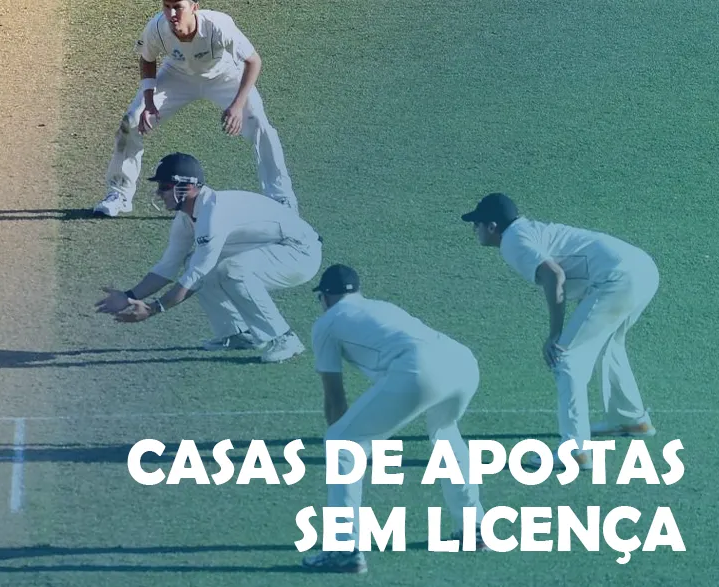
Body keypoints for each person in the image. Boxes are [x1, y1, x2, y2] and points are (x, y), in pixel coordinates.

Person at [298, 265, 484, 573]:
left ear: (325, 297)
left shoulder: (327, 323)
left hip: (419, 368)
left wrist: (343, 443)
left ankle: (343, 548)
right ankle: (473, 528)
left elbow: (335, 399)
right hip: (462, 363)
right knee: (446, 433)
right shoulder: (379, 307)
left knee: (342, 444)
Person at [464, 193, 659, 468]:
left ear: (492, 226)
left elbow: (554, 274)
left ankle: (575, 452)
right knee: (609, 344)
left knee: (564, 358)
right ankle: (630, 418)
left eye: (477, 224)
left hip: (618, 278)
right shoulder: (528, 231)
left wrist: (555, 334)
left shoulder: (512, 242)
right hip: (642, 269)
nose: (475, 230)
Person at [94, 153, 320, 363]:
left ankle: (283, 337)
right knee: (197, 261)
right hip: (270, 245)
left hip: (300, 252)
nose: (158, 194)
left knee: (232, 270)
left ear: (188, 187)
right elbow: (167, 267)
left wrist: (153, 309)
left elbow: (195, 277)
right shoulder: (186, 219)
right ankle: (236, 333)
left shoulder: (213, 215)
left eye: (164, 187)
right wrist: (128, 296)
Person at [95, 0, 294, 217]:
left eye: (178, 7)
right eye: (166, 6)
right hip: (176, 76)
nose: (171, 13)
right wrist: (149, 103)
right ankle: (120, 194)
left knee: (259, 123)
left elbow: (253, 61)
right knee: (132, 121)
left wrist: (237, 106)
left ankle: (280, 198)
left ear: (194, 7)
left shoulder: (218, 25)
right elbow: (147, 58)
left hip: (224, 76)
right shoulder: (157, 27)